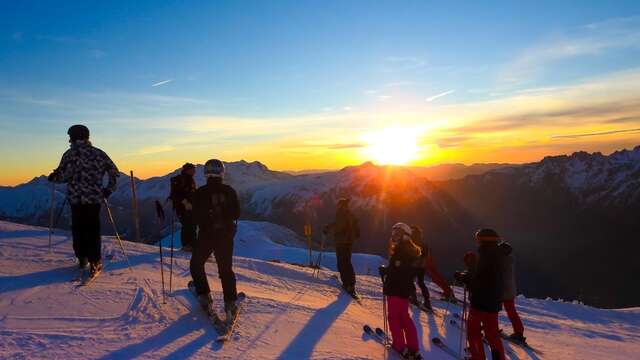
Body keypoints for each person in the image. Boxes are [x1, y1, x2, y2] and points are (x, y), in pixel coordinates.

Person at [48, 124, 119, 277]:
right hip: (94, 198)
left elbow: (63, 175)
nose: (69, 140)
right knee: (93, 229)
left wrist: (54, 177)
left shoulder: (69, 154)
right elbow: (114, 171)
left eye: (70, 136)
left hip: (75, 198)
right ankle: (95, 261)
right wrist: (108, 189)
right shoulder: (98, 153)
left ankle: (82, 258)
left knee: (78, 228)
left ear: (75, 137)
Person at [190, 159, 241, 318]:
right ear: (222, 173)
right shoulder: (229, 191)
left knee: (196, 264)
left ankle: (204, 295)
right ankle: (230, 303)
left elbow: (194, 217)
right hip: (225, 235)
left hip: (206, 236)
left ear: (205, 173)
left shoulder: (200, 193)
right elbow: (236, 214)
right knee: (225, 270)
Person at [454, 228, 506, 360]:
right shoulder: (499, 254)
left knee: (473, 333)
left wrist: (463, 278)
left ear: (484, 240)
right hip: (494, 301)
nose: (477, 242)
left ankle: (477, 357)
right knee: (493, 334)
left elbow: (478, 279)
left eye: (478, 239)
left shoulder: (485, 255)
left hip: (480, 302)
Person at [379, 223, 423, 360]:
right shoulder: (410, 250)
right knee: (404, 318)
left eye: (397, 233)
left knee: (394, 318)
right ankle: (413, 348)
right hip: (404, 290)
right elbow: (403, 270)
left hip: (395, 290)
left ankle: (399, 346)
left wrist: (387, 271)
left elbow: (397, 270)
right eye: (394, 233)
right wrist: (388, 270)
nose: (394, 236)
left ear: (405, 235)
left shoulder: (401, 250)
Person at [324, 198, 360, 296]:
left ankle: (346, 283)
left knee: (342, 262)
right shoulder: (350, 213)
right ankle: (351, 283)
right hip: (348, 242)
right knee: (347, 262)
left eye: (338, 205)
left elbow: (339, 225)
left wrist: (328, 228)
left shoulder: (341, 213)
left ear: (340, 205)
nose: (337, 206)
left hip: (342, 242)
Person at [499, 241, 526, 342]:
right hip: (510, 290)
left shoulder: (502, 261)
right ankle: (519, 332)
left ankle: (492, 327)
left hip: (503, 290)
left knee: (492, 309)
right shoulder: (509, 260)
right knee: (512, 312)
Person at [169, 163, 197, 251]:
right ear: (188, 170)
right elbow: (175, 194)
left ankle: (191, 245)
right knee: (188, 225)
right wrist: (185, 203)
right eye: (192, 169)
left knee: (191, 225)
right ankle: (188, 245)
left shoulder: (190, 179)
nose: (194, 171)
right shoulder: (183, 179)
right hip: (183, 208)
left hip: (189, 207)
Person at [408, 225, 432, 311]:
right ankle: (427, 302)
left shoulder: (412, 242)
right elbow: (426, 256)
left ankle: (413, 297)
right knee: (421, 283)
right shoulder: (424, 244)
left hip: (414, 266)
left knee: (410, 281)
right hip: (421, 267)